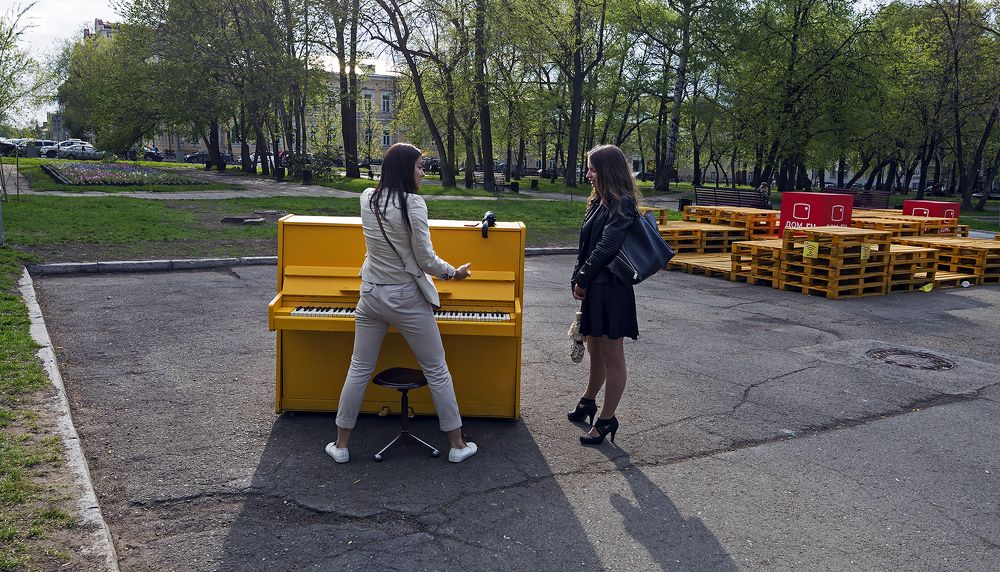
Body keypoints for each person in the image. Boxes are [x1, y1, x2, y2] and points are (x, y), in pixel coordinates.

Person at [326, 142, 478, 464]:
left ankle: (340, 445)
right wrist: (454, 274)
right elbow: (425, 259)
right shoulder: (414, 204)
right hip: (405, 297)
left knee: (359, 368)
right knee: (436, 369)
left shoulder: (367, 198)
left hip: (370, 295)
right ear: (405, 169)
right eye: (419, 166)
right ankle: (457, 445)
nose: (422, 172)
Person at [568, 144, 641, 445]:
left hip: (611, 290)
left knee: (612, 355)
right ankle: (588, 401)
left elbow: (607, 247)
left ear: (607, 171)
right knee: (595, 349)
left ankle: (607, 419)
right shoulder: (600, 201)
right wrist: (578, 276)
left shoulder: (622, 204)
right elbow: (586, 246)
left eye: (593, 170)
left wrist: (583, 277)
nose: (588, 175)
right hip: (595, 288)